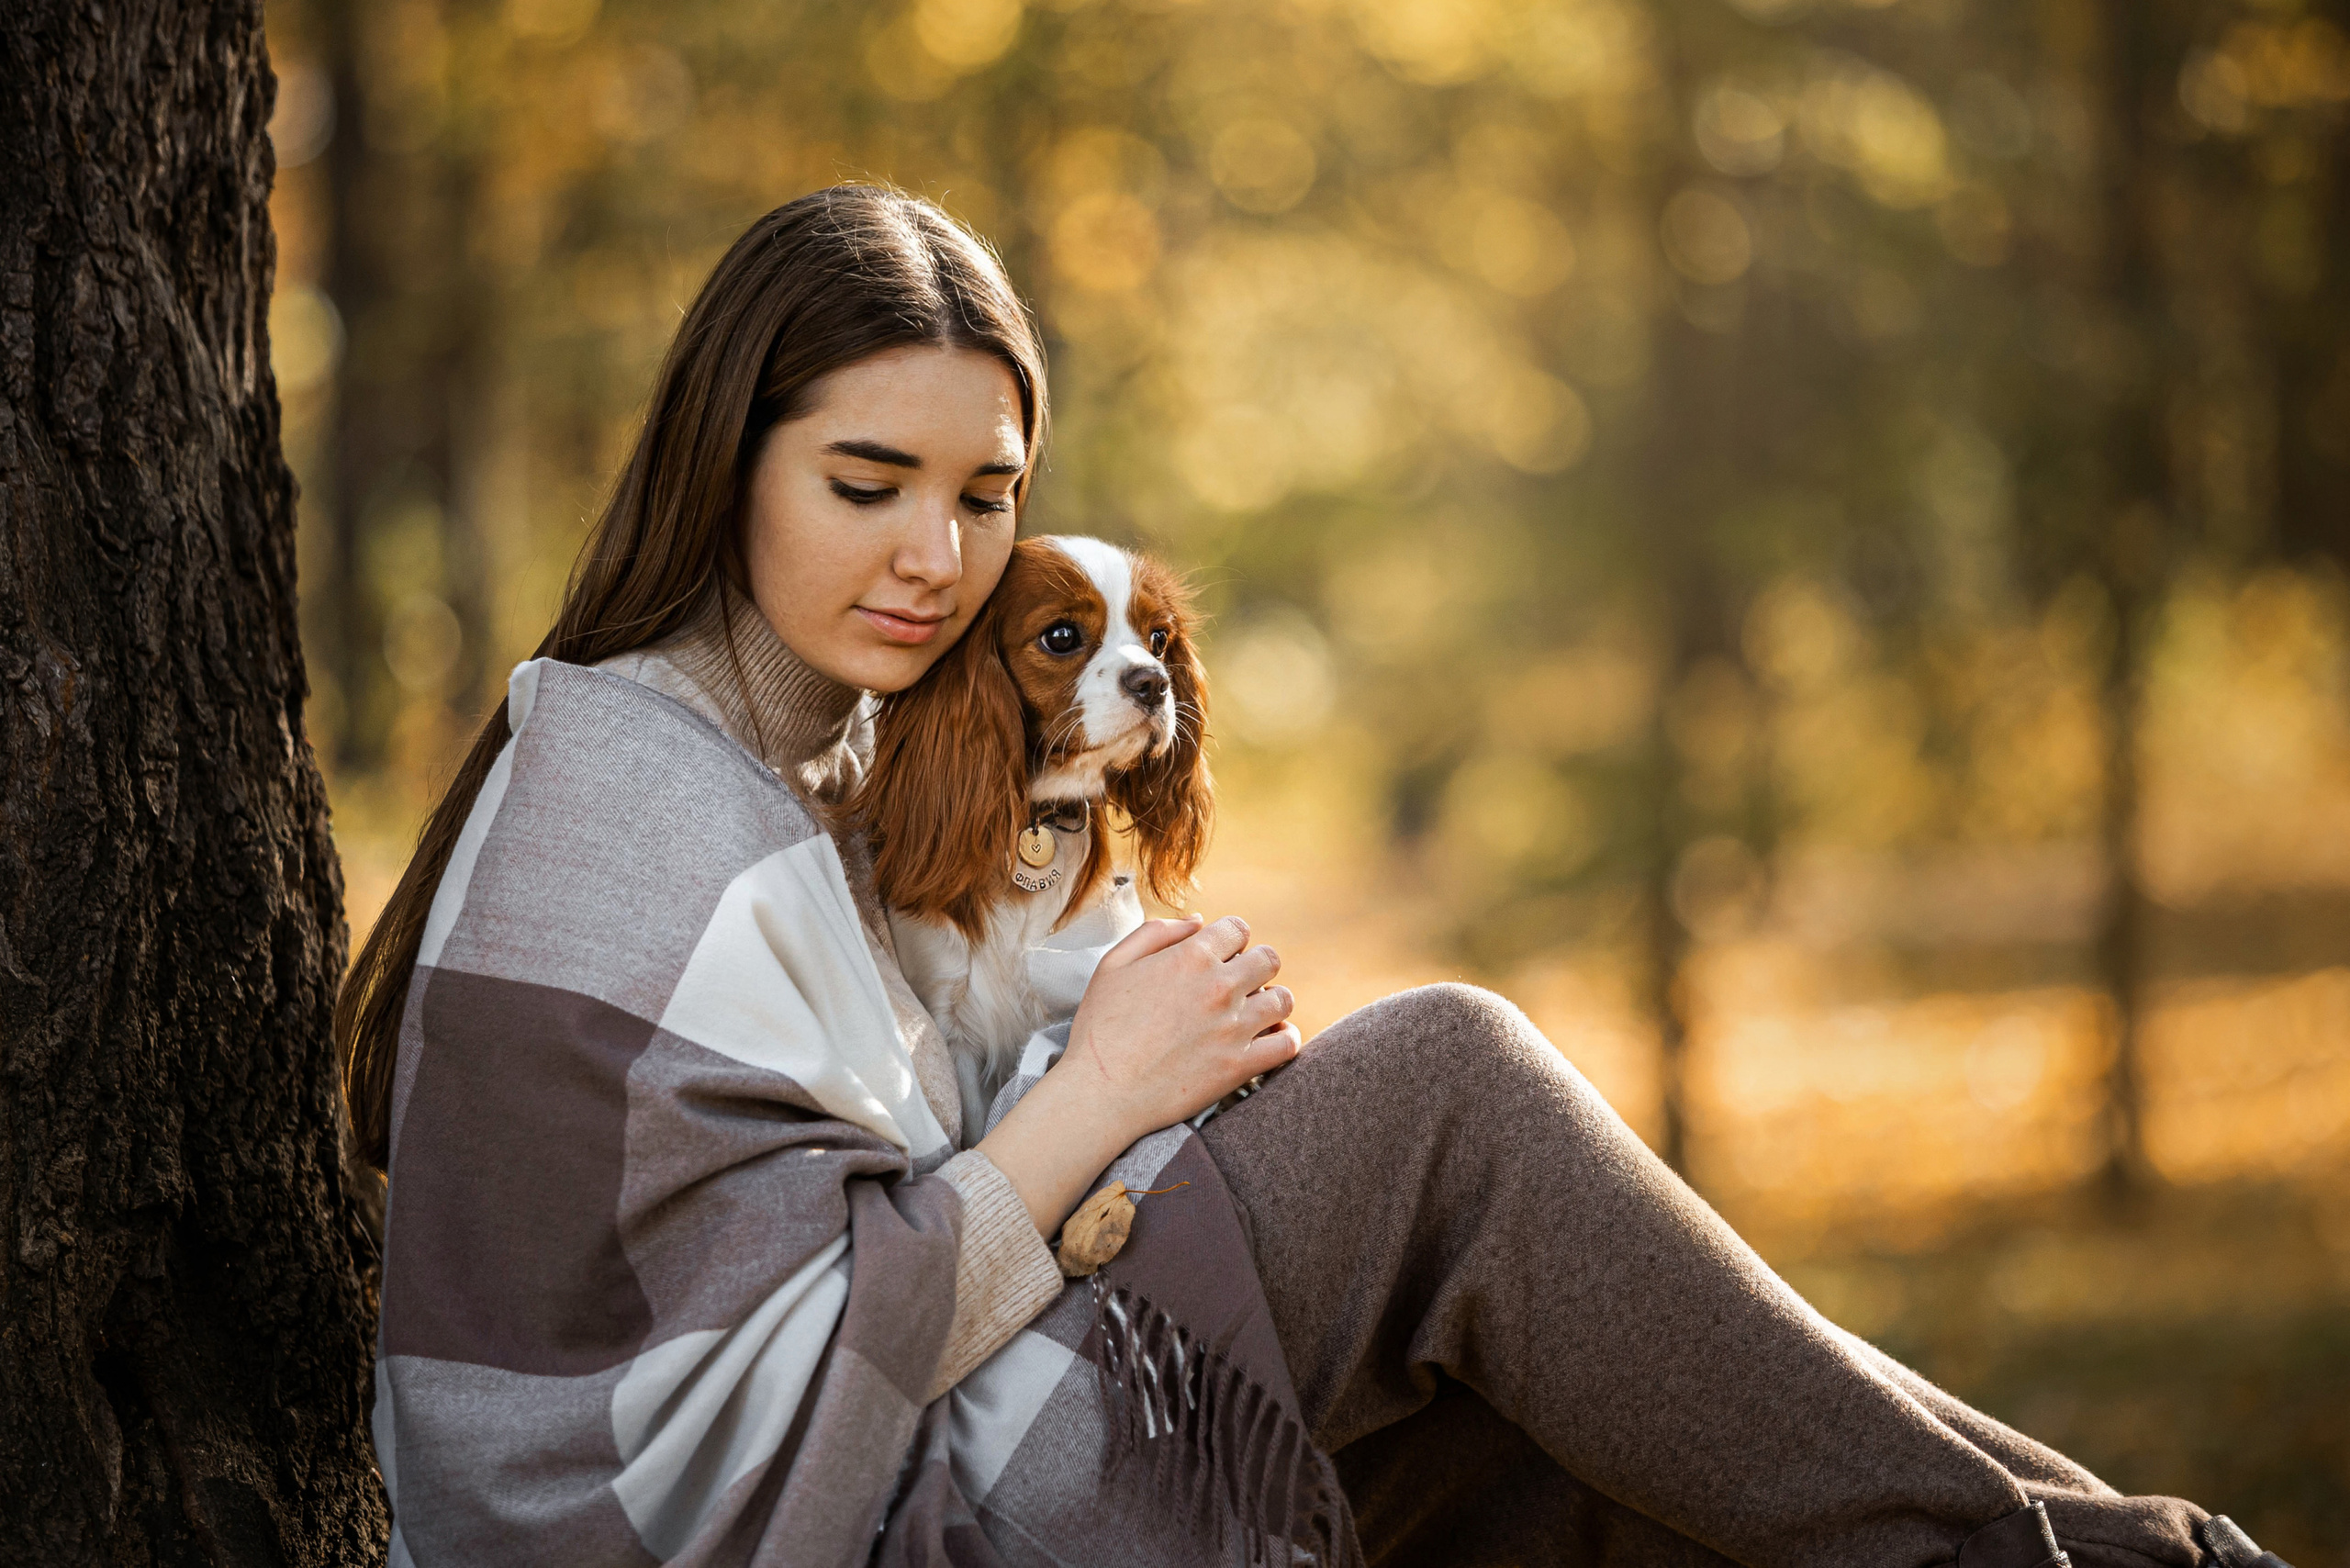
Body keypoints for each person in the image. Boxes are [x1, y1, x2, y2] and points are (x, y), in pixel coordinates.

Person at [340, 185, 2286, 1568]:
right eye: (867, 483)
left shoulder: (782, 756)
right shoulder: (643, 809)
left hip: (882, 1451)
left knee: (1570, 1428)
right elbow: (770, 1380)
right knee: (1441, 1078)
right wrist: (1110, 1088)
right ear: (724, 461)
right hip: (807, 1515)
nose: (933, 554)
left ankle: (2108, 1551)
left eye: (983, 493)